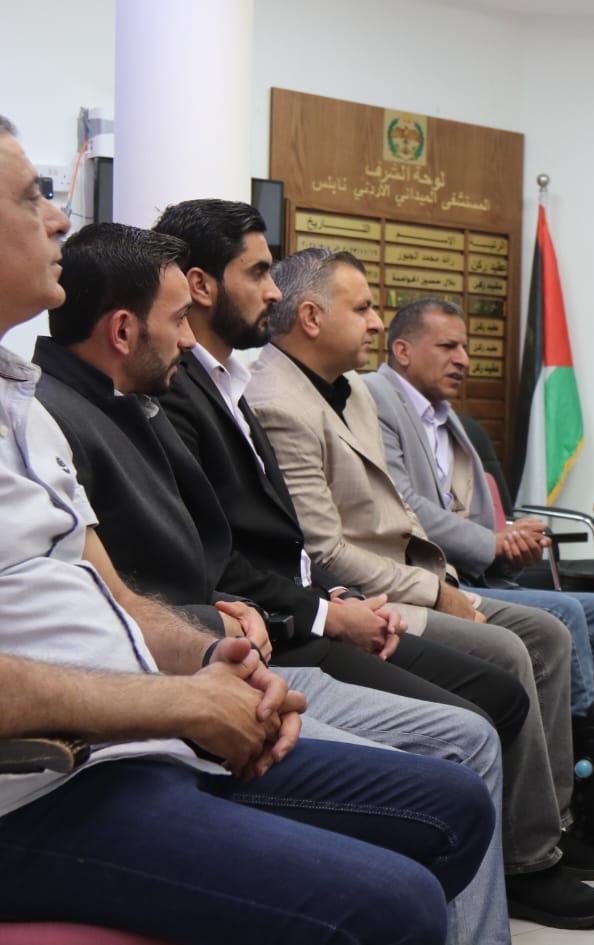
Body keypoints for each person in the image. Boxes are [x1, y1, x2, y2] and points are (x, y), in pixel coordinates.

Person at [0, 113, 495, 945]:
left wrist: (212, 661)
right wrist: (182, 701)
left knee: (455, 806)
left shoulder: (22, 405)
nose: (57, 217)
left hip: (138, 736)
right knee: (398, 901)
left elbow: (112, 594)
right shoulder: (65, 402)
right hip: (44, 786)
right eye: (29, 197)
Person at [151, 202, 594, 928]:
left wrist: (374, 593)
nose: (273, 292)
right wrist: (345, 606)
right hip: (300, 618)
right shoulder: (251, 395)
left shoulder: (279, 387)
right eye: (259, 273)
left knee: (555, 635)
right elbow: (281, 550)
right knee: (500, 676)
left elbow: (365, 523)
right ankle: (526, 857)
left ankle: (559, 828)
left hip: (339, 595)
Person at [365, 297, 594, 863]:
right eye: (448, 346)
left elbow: (469, 520)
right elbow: (405, 507)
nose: (464, 359)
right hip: (421, 580)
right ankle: (591, 790)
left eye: (466, 347)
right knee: (563, 614)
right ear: (402, 350)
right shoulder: (375, 400)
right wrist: (491, 543)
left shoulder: (449, 420)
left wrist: (508, 544)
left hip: (471, 570)